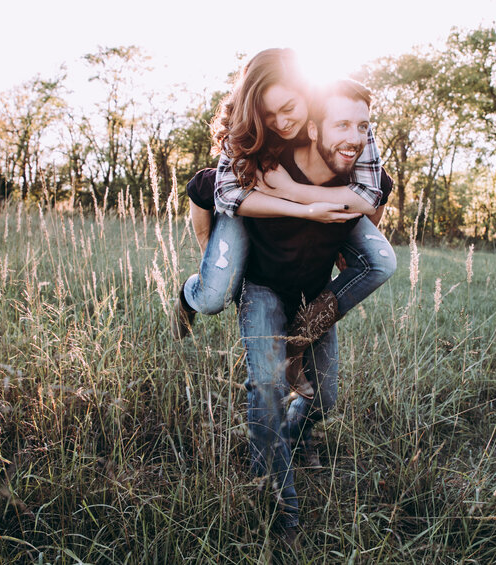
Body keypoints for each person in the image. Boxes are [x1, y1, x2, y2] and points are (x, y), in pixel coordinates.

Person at [238, 79, 395, 542]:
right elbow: (204, 189)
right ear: (312, 128)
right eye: (342, 124)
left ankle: (291, 433)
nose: (355, 136)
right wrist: (212, 267)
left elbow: (366, 238)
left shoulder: (366, 180)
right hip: (263, 289)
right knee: (265, 386)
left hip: (314, 298)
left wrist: (326, 304)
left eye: (363, 125)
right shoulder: (272, 164)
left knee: (324, 397)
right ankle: (279, 504)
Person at [173, 49, 389, 359]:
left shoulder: (342, 119)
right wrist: (300, 209)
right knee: (214, 296)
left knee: (384, 261)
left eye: (288, 108)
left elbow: (372, 193)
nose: (281, 122)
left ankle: (302, 338)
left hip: (293, 198)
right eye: (268, 113)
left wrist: (295, 192)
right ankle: (189, 295)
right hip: (240, 204)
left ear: (308, 94)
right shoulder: (247, 125)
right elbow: (218, 192)